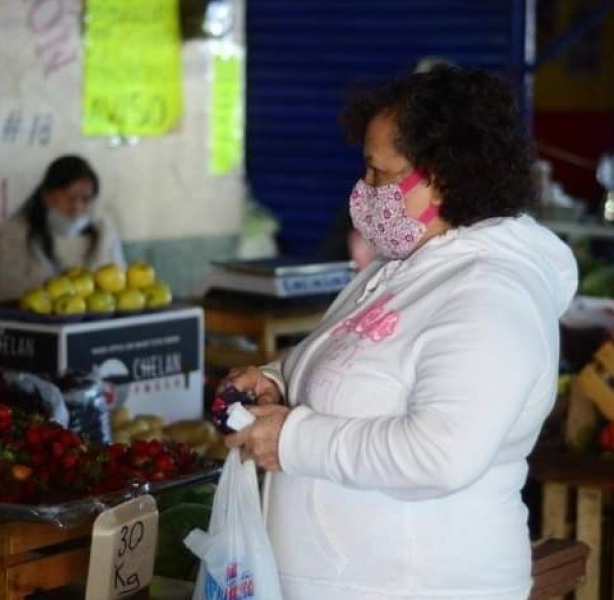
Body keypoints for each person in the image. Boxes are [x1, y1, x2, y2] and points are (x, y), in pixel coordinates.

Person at [221, 66, 578, 599]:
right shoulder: (406, 267)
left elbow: (440, 455)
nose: (364, 191)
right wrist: (279, 381)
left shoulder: (489, 296)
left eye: (378, 174)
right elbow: (355, 362)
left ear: (442, 175)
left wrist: (293, 437)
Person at [0, 155, 126, 302]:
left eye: (86, 200)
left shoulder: (104, 234)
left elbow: (120, 286)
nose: (77, 207)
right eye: (70, 198)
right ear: (47, 196)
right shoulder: (14, 234)